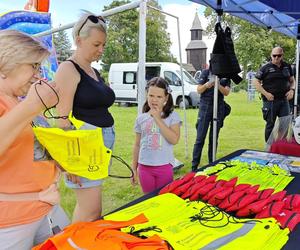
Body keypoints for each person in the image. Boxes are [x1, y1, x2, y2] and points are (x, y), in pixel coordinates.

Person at [0, 30, 63, 249]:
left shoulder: (19, 101)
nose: (38, 75)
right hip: (12, 222)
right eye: (33, 66)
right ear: (7, 63)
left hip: (47, 209)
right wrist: (32, 105)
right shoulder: (22, 103)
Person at [55, 13, 115, 222]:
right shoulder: (68, 69)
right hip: (83, 150)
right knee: (90, 211)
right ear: (79, 40)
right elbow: (62, 120)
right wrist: (70, 163)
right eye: (96, 44)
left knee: (93, 212)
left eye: (103, 45)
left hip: (98, 147)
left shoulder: (94, 71)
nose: (100, 50)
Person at [131, 77, 181, 194]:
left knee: (164, 200)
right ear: (146, 95)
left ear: (166, 98)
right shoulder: (141, 118)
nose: (154, 100)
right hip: (144, 167)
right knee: (149, 201)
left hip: (164, 166)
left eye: (159, 97)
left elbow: (174, 139)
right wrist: (134, 168)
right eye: (151, 95)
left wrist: (158, 118)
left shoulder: (172, 116)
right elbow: (137, 145)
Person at [191, 68, 231, 171]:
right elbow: (199, 90)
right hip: (205, 106)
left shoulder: (226, 74)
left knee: (213, 138)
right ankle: (194, 167)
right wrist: (206, 85)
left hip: (218, 107)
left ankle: (212, 164)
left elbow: (226, 92)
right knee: (200, 138)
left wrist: (218, 85)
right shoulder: (205, 72)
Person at [254, 46, 295, 142]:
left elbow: (292, 80)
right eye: (274, 55)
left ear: (282, 56)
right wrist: (266, 93)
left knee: (284, 124)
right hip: (270, 101)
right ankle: (268, 148)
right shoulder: (265, 68)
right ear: (271, 55)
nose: (276, 58)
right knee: (270, 124)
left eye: (279, 56)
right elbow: (256, 82)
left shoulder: (287, 66)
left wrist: (292, 90)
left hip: (284, 100)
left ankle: (280, 146)